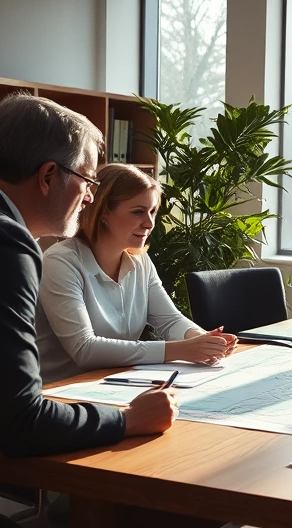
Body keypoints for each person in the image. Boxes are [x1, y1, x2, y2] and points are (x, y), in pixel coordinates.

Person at [0, 93, 178, 528]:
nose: (90, 194)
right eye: (87, 179)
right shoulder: (0, 241)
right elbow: (20, 424)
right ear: (49, 176)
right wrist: (127, 419)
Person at [36, 164, 236, 383]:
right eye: (138, 212)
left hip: (116, 382)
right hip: (61, 391)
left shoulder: (139, 260)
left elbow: (169, 321)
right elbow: (85, 349)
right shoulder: (61, 262)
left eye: (152, 211)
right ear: (103, 213)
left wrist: (202, 341)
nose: (150, 223)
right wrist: (182, 350)